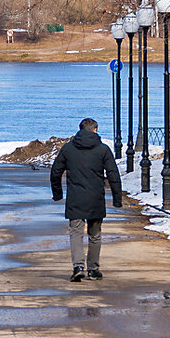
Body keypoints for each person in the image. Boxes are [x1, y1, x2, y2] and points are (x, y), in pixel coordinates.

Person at [50, 117, 123, 282]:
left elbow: (56, 171)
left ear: (80, 130)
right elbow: (113, 175)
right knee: (95, 234)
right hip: (96, 197)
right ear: (95, 130)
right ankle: (94, 269)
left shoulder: (68, 149)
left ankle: (78, 266)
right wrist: (117, 199)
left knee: (76, 232)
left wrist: (57, 193)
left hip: (75, 197)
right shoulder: (103, 150)